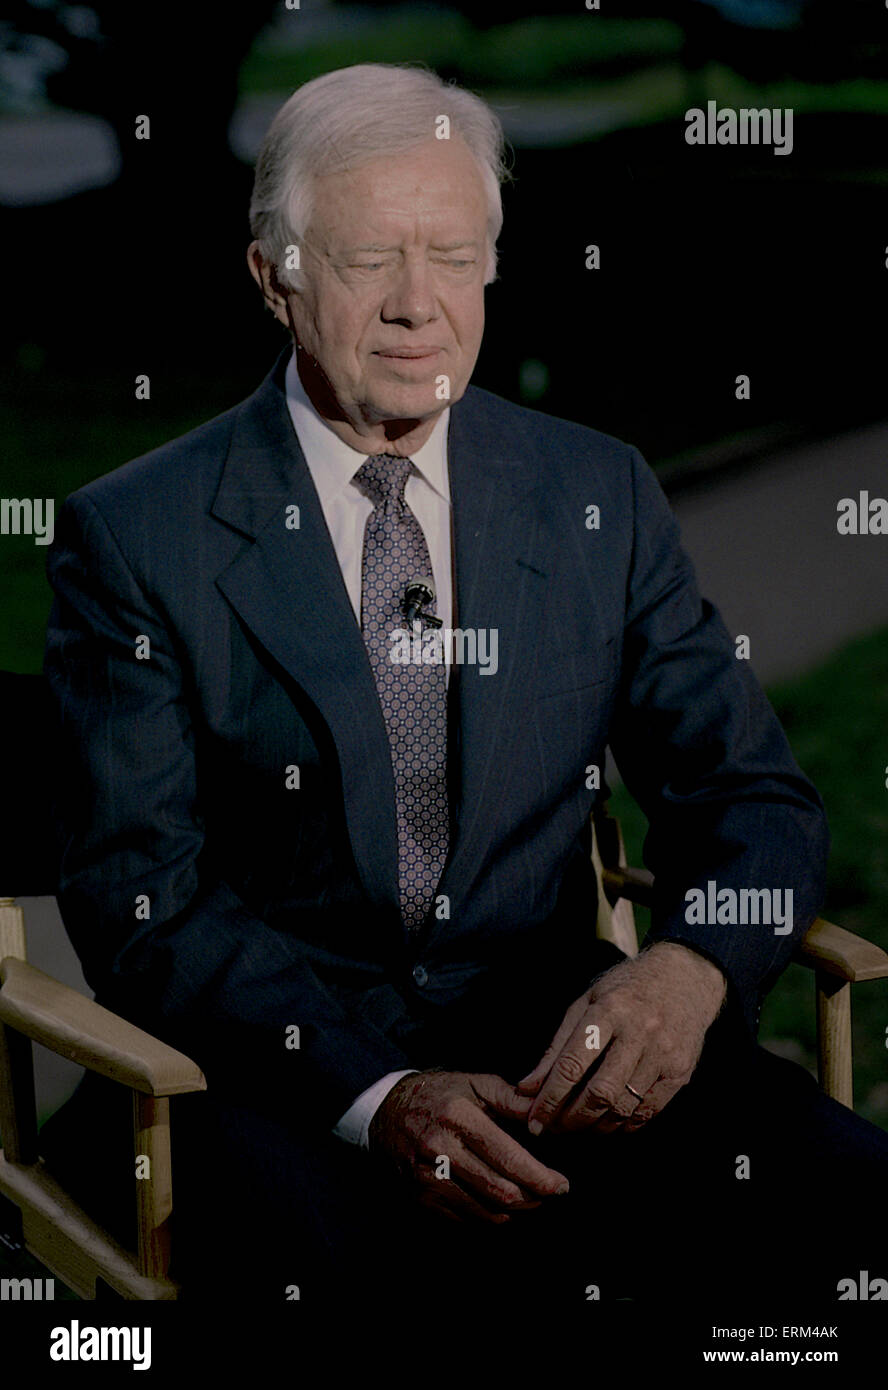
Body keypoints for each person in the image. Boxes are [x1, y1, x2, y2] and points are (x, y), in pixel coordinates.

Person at [40, 63, 887, 1309]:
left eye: (454, 253)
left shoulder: (596, 492)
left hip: (554, 1048)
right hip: (272, 1078)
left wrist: (689, 969)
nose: (416, 306)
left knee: (852, 1204)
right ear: (273, 276)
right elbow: (142, 897)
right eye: (370, 257)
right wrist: (376, 1096)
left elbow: (751, 795)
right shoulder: (138, 536)